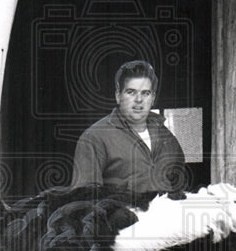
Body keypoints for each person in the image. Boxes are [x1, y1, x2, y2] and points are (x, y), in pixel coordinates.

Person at [71, 59, 187, 196]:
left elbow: (181, 186)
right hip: (123, 216)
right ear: (118, 96)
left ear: (153, 98)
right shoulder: (94, 138)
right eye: (131, 92)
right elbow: (85, 199)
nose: (139, 99)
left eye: (145, 93)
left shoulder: (166, 136)